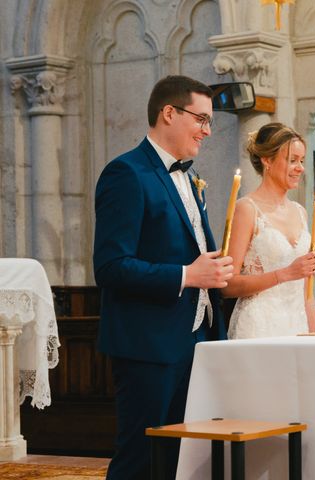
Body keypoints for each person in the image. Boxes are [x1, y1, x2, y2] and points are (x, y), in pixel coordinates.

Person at [93, 75, 234, 479]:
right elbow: (110, 267)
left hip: (198, 341)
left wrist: (215, 270)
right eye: (201, 119)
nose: (207, 131)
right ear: (168, 113)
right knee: (141, 460)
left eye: (210, 122)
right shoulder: (126, 174)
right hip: (149, 346)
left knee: (183, 462)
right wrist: (188, 274)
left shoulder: (190, 179)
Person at [222, 122, 315, 338]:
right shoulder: (247, 209)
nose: (300, 168)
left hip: (297, 326)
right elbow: (228, 285)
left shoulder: (301, 213)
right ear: (267, 160)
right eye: (292, 160)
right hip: (258, 327)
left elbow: (307, 292)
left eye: (301, 161)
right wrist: (284, 274)